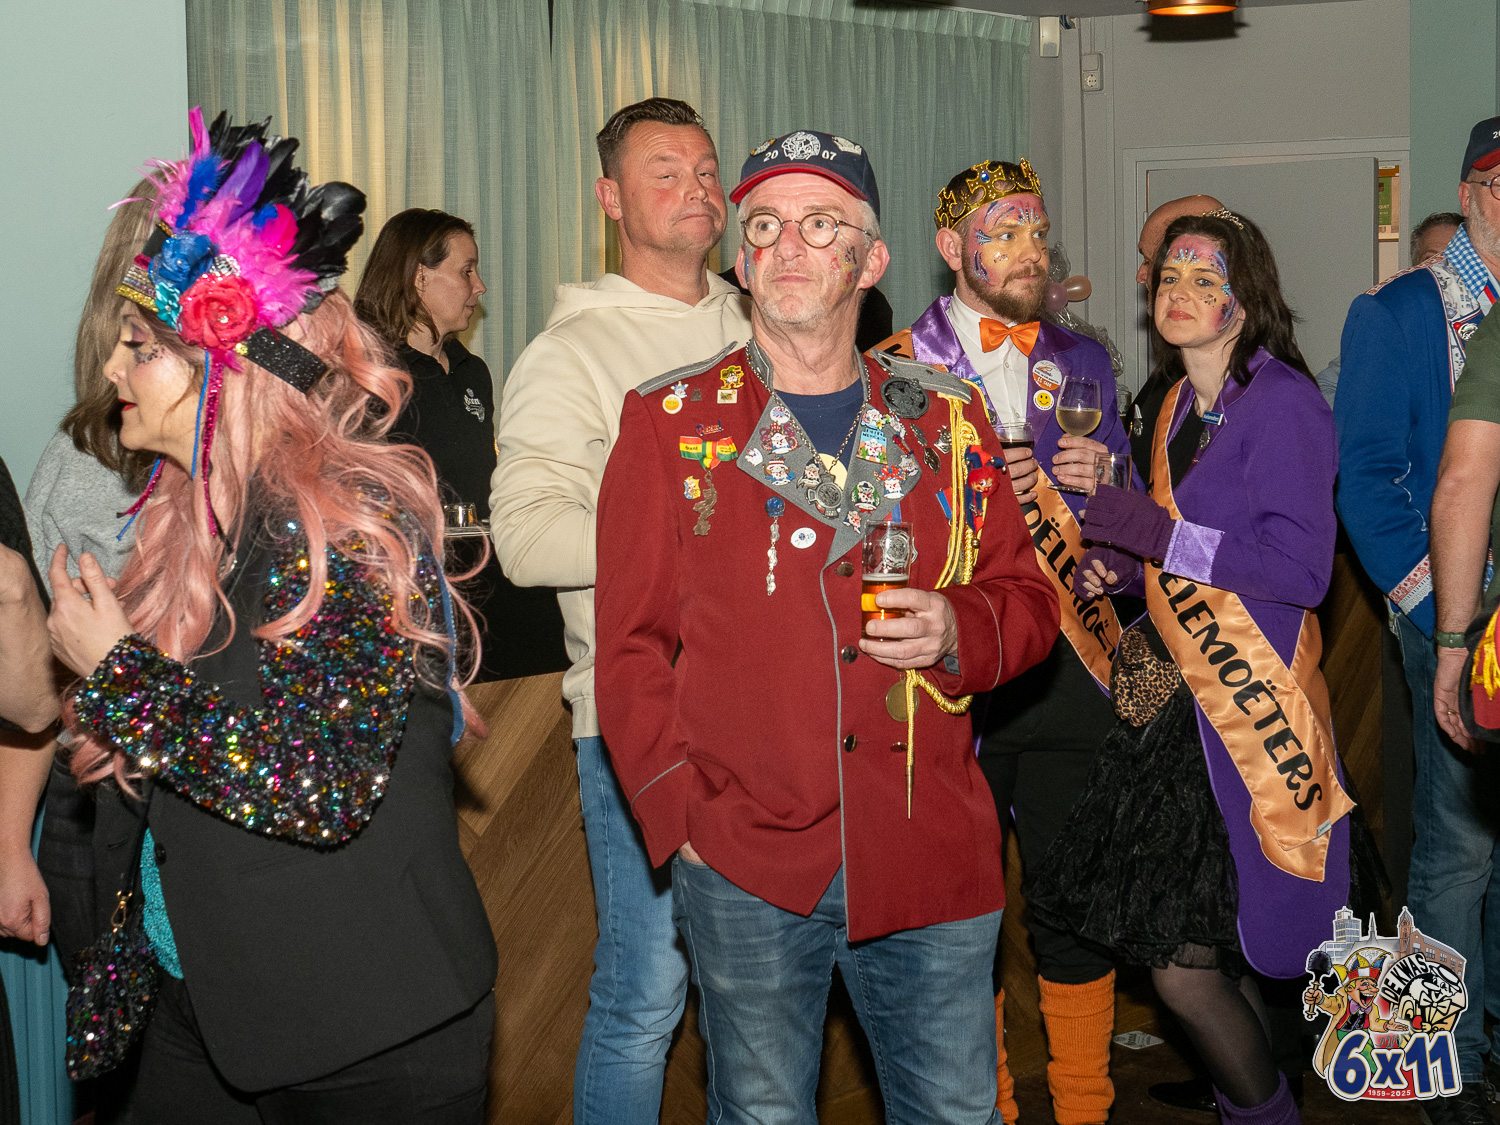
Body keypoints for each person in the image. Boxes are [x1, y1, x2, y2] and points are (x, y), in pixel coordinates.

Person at [594, 128, 1058, 1123]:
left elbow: (1027, 600)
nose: (788, 247)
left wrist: (957, 627)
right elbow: (629, 650)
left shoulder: (947, 419)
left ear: (871, 259)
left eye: (820, 225)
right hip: (748, 862)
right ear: (742, 259)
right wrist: (682, 823)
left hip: (929, 851)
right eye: (765, 227)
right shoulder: (673, 423)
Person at [43, 109, 497, 1122]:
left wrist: (118, 674)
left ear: (225, 366)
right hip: (201, 1002)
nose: (112, 371)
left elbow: (319, 781)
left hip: (362, 1026)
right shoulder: (184, 522)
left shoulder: (348, 526)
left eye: (139, 348)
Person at [1030, 211, 1353, 1125]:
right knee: (1203, 951)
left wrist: (1154, 534)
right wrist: (1125, 570)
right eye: (1169, 277)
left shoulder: (1285, 403)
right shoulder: (1174, 403)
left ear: (1245, 300)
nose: (1178, 292)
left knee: (1186, 970)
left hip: (1252, 710)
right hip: (1182, 720)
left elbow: (1300, 571)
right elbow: (1178, 559)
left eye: (1204, 279)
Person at [489, 97, 750, 1125]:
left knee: (757, 994)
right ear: (610, 199)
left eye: (706, 169)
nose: (696, 189)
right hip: (646, 716)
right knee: (647, 993)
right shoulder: (570, 353)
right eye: (663, 173)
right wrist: (695, 534)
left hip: (774, 714)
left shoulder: (765, 324)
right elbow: (524, 538)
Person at [871, 158, 1130, 1125]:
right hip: (955, 674)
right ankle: (987, 1111)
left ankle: (1085, 1108)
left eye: (1038, 232)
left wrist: (1105, 504)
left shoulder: (1087, 359)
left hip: (1072, 670)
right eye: (1004, 232)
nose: (1030, 251)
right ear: (952, 247)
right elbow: (873, 524)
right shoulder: (895, 364)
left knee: (1074, 906)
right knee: (959, 916)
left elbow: (1129, 533)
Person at [1339, 115, 1500, 1125]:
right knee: (1456, 844)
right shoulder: (1403, 309)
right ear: (1476, 192)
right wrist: (1444, 612)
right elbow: (1367, 479)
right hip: (1453, 618)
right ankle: (1445, 1061)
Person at [0, 180, 158, 1125]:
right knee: (120, 1073)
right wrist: (8, 845)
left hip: (215, 807)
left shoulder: (261, 471)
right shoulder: (80, 460)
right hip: (101, 808)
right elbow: (36, 685)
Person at [355, 208, 567, 681]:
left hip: (484, 578)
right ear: (419, 278)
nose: (480, 287)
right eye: (466, 271)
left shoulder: (472, 372)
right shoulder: (370, 375)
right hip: (411, 589)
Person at [1313, 212, 1464, 409]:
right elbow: (1323, 388)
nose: (1443, 271)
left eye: (1455, 261)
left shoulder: (1488, 326)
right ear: (1414, 267)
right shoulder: (1392, 323)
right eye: (1431, 260)